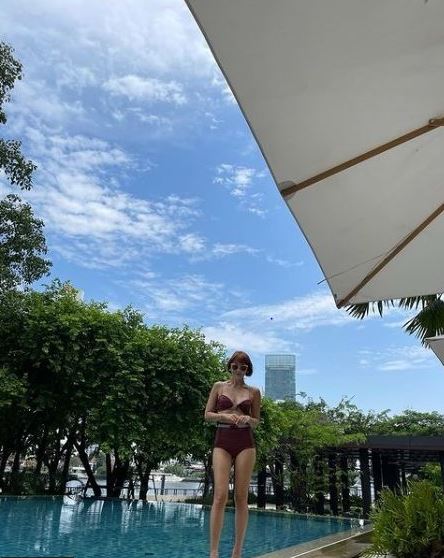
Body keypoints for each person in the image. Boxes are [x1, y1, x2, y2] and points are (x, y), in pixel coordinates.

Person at [204, 350, 261, 558]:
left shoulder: (254, 392)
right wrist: (225, 417)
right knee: (220, 495)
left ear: (248, 370)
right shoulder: (218, 386)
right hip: (223, 439)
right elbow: (207, 415)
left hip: (245, 442)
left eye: (243, 367)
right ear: (230, 366)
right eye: (235, 366)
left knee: (241, 497)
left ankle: (237, 551)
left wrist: (248, 419)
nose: (238, 370)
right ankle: (214, 552)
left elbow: (256, 421)